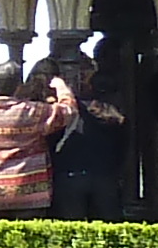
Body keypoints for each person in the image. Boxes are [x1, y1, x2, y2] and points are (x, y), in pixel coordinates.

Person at [0, 58, 80, 217]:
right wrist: (61, 87)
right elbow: (68, 111)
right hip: (28, 192)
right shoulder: (30, 112)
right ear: (19, 87)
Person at [47, 52, 132, 221]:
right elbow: (124, 141)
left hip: (72, 175)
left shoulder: (60, 110)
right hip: (103, 175)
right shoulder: (112, 107)